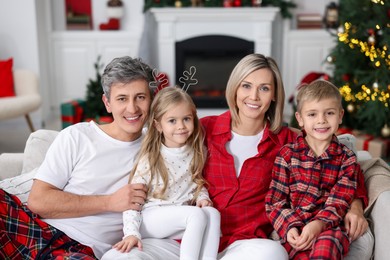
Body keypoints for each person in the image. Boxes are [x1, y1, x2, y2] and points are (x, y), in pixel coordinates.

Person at [199, 53, 372, 260]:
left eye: (264, 88)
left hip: (247, 243)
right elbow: (163, 155)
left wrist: (356, 207)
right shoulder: (204, 129)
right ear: (234, 88)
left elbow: (345, 164)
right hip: (199, 234)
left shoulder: (287, 141)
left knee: (274, 254)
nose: (254, 96)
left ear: (274, 95)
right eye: (246, 86)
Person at [0, 56, 155, 259]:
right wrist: (109, 202)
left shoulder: (157, 147)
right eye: (122, 99)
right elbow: (38, 201)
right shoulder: (77, 136)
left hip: (77, 251)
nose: (132, 108)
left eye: (140, 97)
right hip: (35, 230)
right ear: (107, 103)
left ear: (151, 100)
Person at [106, 86, 220, 260]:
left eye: (186, 119)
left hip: (179, 218)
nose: (181, 126)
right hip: (151, 219)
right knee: (195, 214)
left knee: (212, 213)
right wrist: (131, 233)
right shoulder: (151, 158)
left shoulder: (198, 151)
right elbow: (133, 203)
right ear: (158, 125)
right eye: (172, 121)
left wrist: (202, 197)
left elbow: (197, 182)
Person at [265, 79, 368, 259]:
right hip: (297, 228)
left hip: (330, 228)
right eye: (312, 114)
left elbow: (340, 199)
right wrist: (290, 227)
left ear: (340, 115)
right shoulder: (287, 155)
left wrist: (319, 224)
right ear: (300, 119)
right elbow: (275, 201)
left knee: (325, 249)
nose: (321, 120)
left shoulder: (347, 158)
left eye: (329, 113)